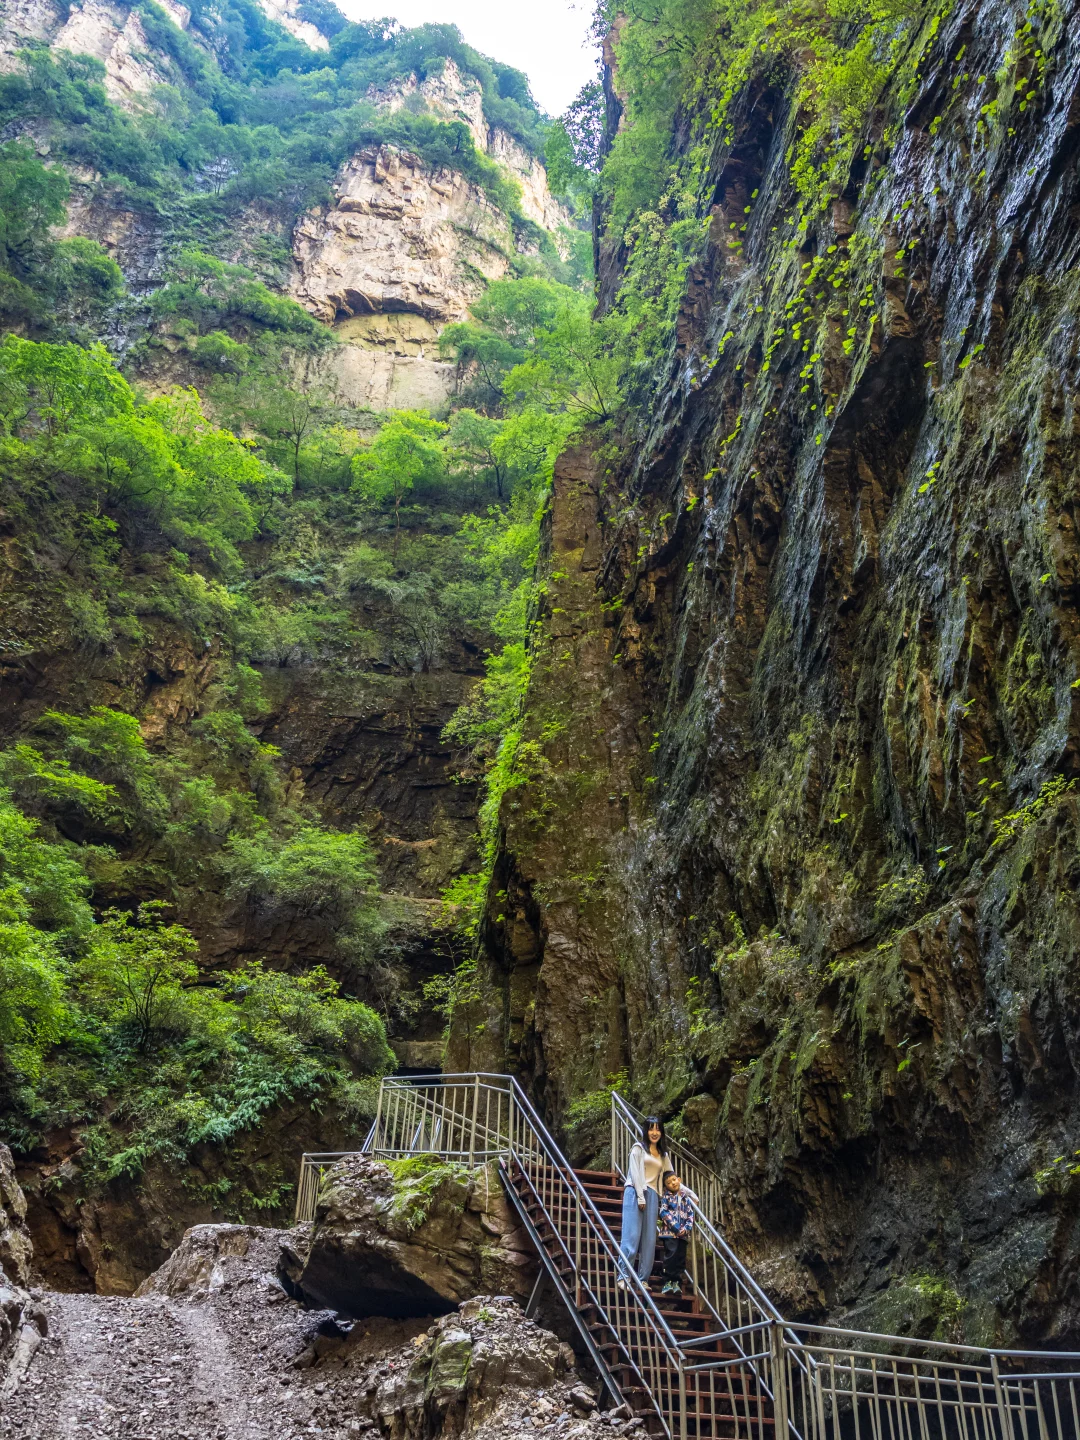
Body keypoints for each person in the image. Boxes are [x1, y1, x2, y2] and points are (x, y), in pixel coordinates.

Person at [617, 1116, 673, 1288]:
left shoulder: (663, 1155)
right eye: (651, 1129)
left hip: (654, 1195)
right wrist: (641, 1196)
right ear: (646, 1131)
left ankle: (643, 1278)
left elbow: (670, 1176)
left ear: (661, 1132)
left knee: (649, 1239)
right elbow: (634, 1173)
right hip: (635, 1191)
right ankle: (623, 1275)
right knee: (631, 1235)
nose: (654, 1133)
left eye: (657, 1129)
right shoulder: (638, 1148)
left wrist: (690, 1195)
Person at [657, 1171, 698, 1295]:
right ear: (665, 1186)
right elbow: (663, 1212)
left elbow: (690, 1213)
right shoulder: (666, 1197)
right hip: (670, 1233)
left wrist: (687, 1227)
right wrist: (676, 1227)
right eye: (668, 1183)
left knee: (680, 1257)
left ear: (679, 1180)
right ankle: (667, 1281)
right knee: (671, 1255)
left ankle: (677, 1282)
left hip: (683, 1235)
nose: (672, 1183)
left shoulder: (685, 1198)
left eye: (674, 1180)